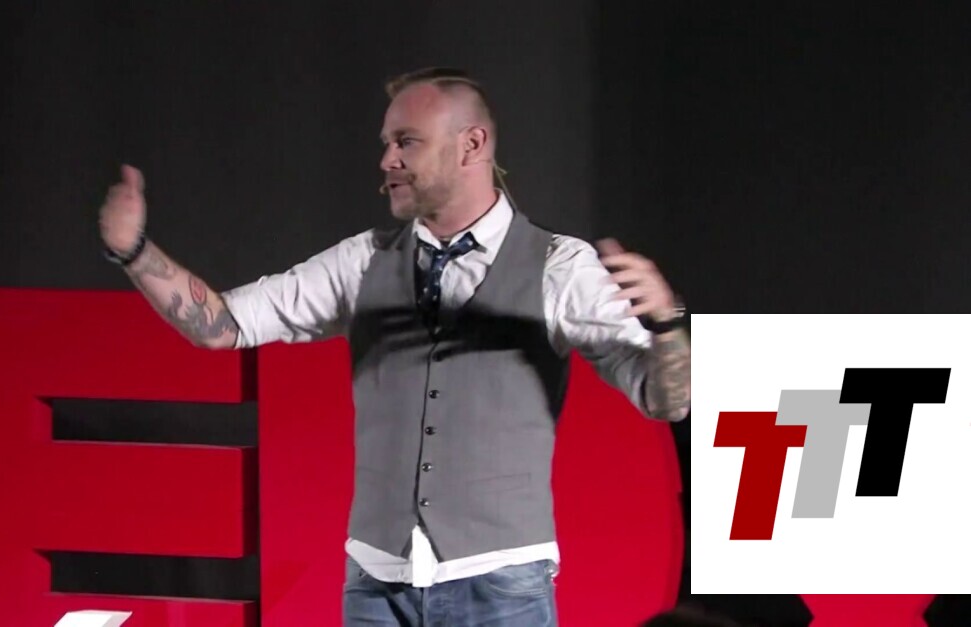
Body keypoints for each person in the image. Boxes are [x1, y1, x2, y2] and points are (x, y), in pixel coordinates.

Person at [98, 67, 691, 627]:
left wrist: (667, 325)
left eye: (407, 142)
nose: (387, 161)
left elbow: (668, 399)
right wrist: (134, 252)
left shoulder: (559, 266)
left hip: (500, 588)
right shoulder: (363, 261)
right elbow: (222, 324)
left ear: (472, 144)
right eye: (386, 143)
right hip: (376, 585)